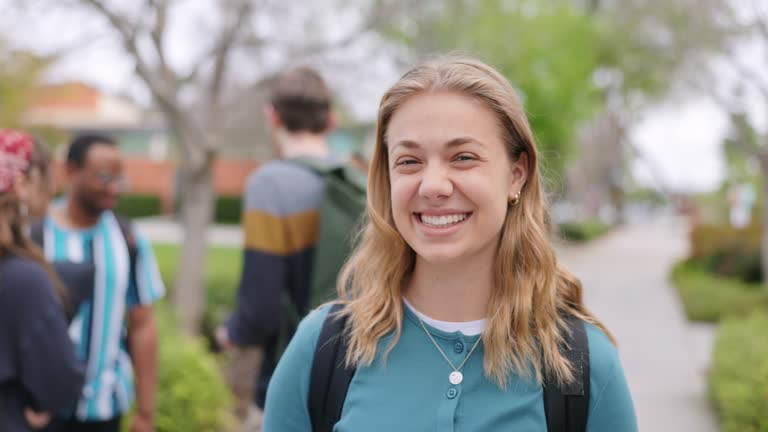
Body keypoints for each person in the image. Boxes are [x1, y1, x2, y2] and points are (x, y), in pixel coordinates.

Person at [262, 57, 638, 431]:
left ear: (516, 175)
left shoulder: (582, 368)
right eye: (409, 161)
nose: (433, 186)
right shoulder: (321, 351)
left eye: (463, 158)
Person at [215, 66, 339, 426]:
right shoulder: (357, 182)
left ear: (272, 116)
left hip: (291, 378)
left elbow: (260, 309)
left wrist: (233, 332)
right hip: (355, 373)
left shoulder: (269, 185)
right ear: (330, 121)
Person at [36, 134, 165, 432]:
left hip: (105, 410)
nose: (114, 187)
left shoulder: (128, 238)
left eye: (120, 178)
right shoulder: (35, 234)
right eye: (104, 176)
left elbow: (143, 323)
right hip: (40, 411)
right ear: (70, 171)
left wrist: (146, 412)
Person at [0, 129, 85, 431]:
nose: (53, 187)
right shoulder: (23, 277)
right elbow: (58, 381)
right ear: (22, 182)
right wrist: (42, 402)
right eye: (47, 174)